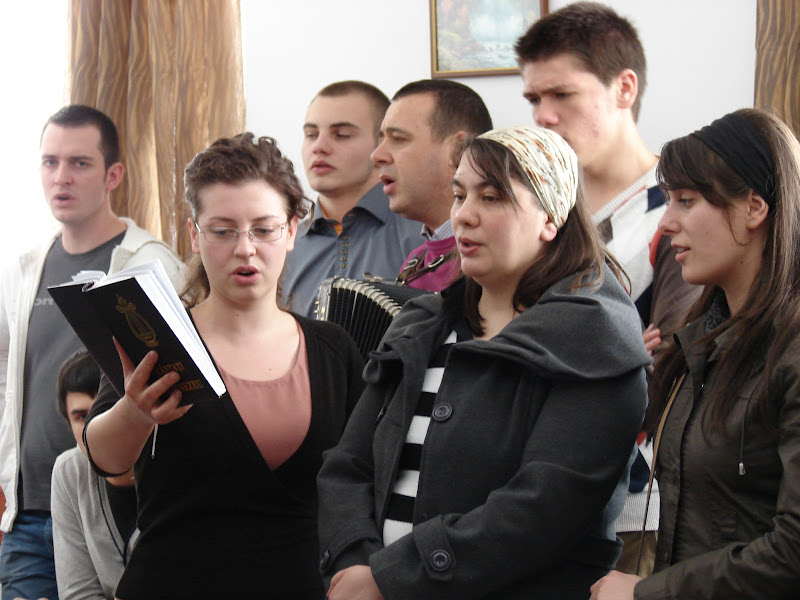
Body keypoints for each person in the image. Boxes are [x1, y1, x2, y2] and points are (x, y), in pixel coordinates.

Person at [317, 125, 651, 599]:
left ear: (550, 217)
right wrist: (355, 563)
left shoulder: (594, 339)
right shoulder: (423, 326)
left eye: (492, 198)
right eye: (459, 195)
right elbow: (348, 467)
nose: (464, 216)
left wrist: (389, 580)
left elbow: (543, 511)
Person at [82, 133, 364, 599]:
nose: (245, 248)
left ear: (292, 230)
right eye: (223, 230)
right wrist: (134, 411)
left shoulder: (333, 351)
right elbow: (104, 459)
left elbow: (360, 482)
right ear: (195, 235)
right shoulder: (157, 339)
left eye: (264, 229)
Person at [515, 2, 700, 572]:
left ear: (624, 88)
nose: (544, 116)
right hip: (524, 490)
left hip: (635, 502)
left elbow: (673, 365)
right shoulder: (535, 210)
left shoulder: (678, 211)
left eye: (562, 94)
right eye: (533, 99)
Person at [590, 109, 800, 599]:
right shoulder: (700, 345)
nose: (667, 223)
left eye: (686, 200)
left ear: (753, 207)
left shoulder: (789, 350)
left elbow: (792, 550)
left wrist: (647, 593)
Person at [0, 105, 184, 600]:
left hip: (113, 506)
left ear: (113, 175)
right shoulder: (24, 267)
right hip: (29, 513)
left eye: (80, 163)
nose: (61, 176)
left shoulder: (150, 263)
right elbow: (5, 372)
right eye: (50, 162)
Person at [283, 80, 422, 317]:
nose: (319, 147)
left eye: (342, 135)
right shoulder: (283, 244)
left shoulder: (420, 235)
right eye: (311, 134)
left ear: (382, 144)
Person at [371, 79, 492, 291]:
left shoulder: (498, 258)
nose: (376, 155)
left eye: (398, 139)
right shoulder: (415, 263)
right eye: (381, 140)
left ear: (459, 150)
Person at [51, 350, 138, 600]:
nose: (95, 425)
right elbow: (77, 592)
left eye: (108, 410)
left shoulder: (173, 463)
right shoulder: (70, 471)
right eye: (81, 416)